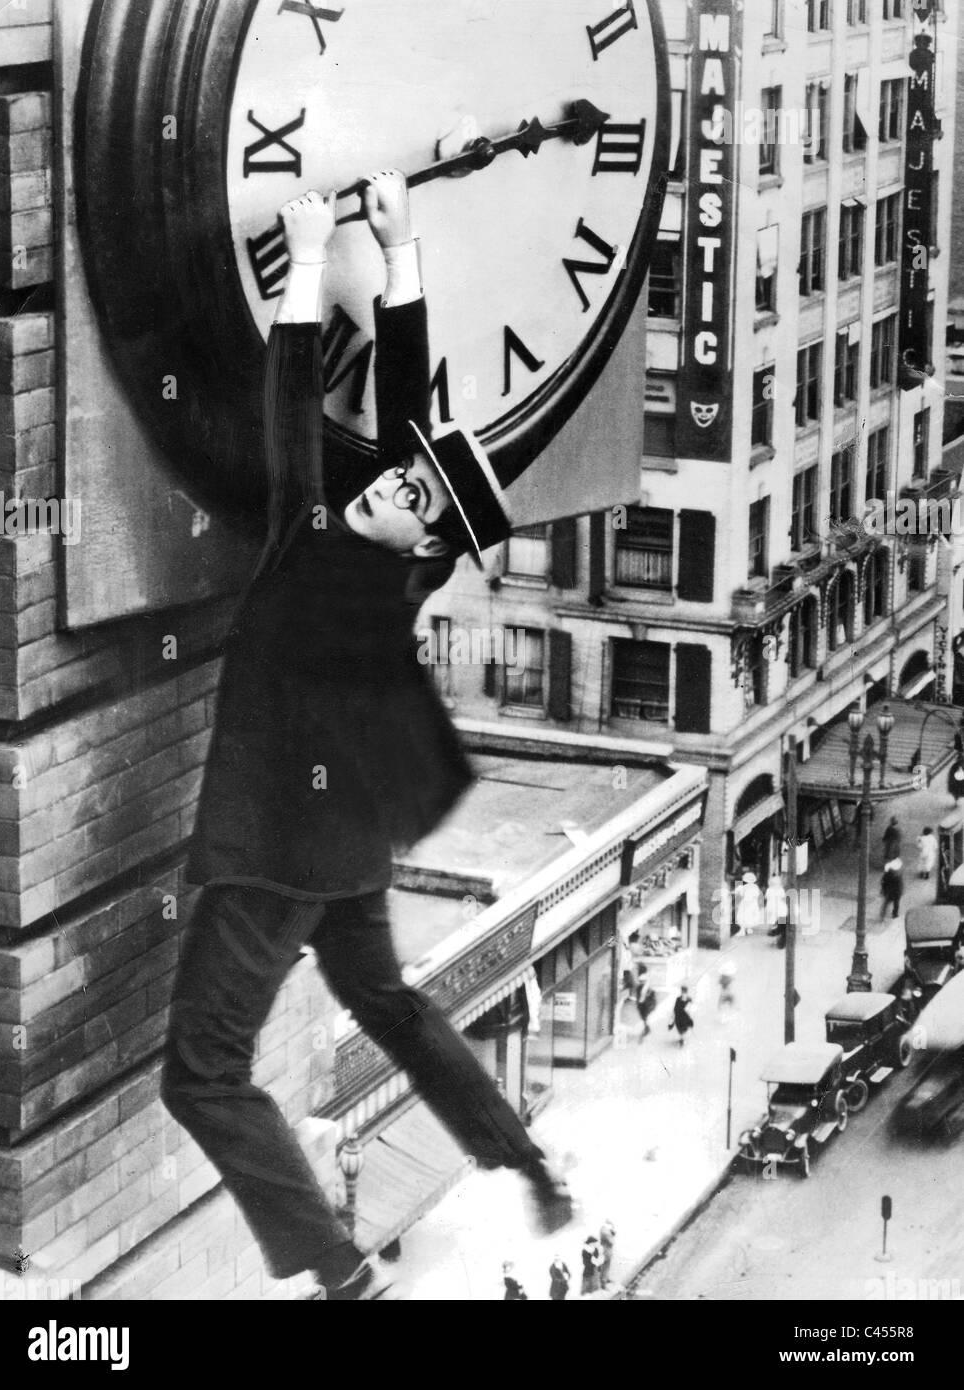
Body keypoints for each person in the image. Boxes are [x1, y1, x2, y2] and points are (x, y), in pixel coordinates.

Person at [162, 174, 572, 1302]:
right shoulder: (396, 565)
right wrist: (400, 253)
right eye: (399, 474)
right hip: (344, 842)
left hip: (276, 852)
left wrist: (302, 267)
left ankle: (338, 1273)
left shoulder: (318, 550)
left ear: (420, 536)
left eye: (406, 491)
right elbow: (403, 437)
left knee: (199, 1076)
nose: (386, 477)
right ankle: (524, 1158)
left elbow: (290, 423)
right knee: (384, 1001)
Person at [735, 871, 763, 936]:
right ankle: (749, 928)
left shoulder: (744, 887)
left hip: (746, 903)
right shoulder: (755, 887)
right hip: (753, 903)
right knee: (750, 916)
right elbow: (757, 895)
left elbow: (741, 893)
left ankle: (742, 930)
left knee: (743, 916)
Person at [633, 962, 657, 1040]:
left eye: (637, 968)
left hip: (644, 1001)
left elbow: (643, 989)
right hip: (645, 1000)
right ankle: (646, 1028)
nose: (636, 969)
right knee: (644, 1016)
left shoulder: (642, 977)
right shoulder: (644, 976)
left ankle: (647, 1028)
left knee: (643, 1015)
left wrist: (640, 999)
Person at [599, 1218, 617, 1288]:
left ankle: (606, 1278)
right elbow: (611, 1241)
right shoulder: (605, 1232)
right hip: (605, 1251)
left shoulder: (605, 1230)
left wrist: (612, 1228)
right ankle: (603, 1282)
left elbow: (614, 1233)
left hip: (607, 1250)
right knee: (605, 1266)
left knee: (607, 1266)